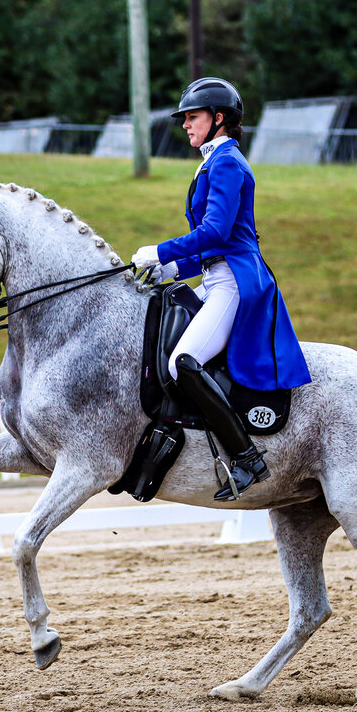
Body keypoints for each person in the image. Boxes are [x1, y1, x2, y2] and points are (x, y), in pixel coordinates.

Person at [131, 77, 312, 501]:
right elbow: (214, 245)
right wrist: (172, 268)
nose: (185, 126)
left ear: (219, 119)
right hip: (218, 275)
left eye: (192, 117)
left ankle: (247, 458)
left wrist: (160, 251)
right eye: (185, 119)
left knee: (184, 362)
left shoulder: (227, 162)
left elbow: (215, 232)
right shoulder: (212, 162)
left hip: (235, 281)